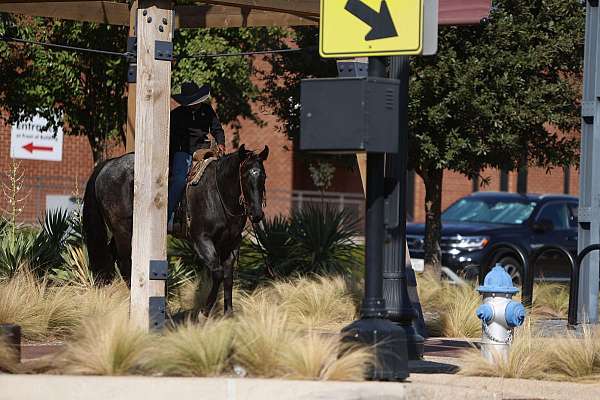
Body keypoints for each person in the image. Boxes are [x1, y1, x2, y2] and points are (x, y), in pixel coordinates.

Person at [168, 82, 226, 231]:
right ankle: (167, 217)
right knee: (180, 180)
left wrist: (221, 143)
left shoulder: (207, 110)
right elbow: (172, 140)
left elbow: (217, 129)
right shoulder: (175, 115)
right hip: (183, 151)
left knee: (220, 176)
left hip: (204, 149)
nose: (195, 105)